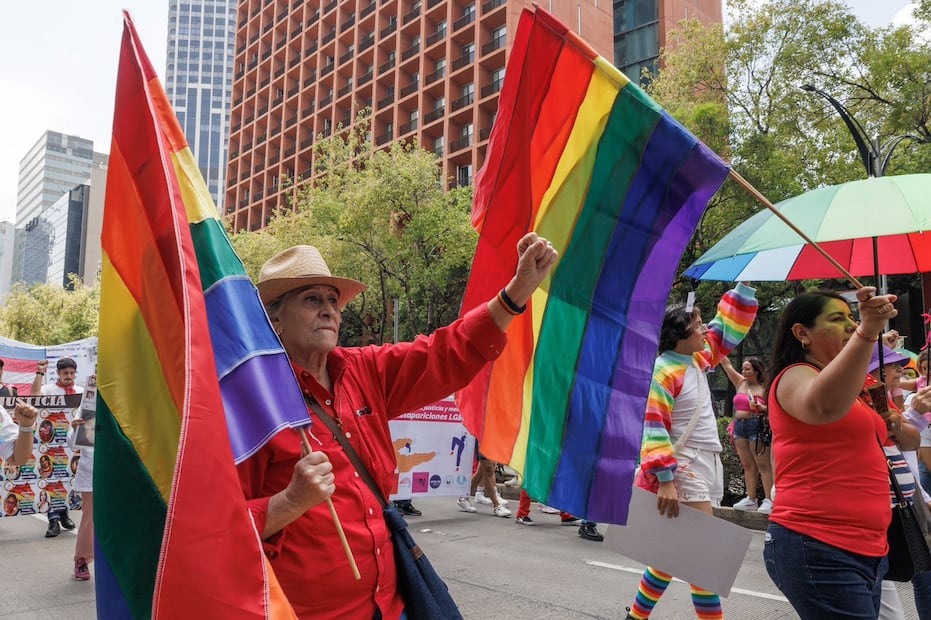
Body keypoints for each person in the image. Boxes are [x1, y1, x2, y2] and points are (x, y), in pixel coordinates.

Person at [238, 234, 557, 619]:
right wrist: (290, 501)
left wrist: (517, 292)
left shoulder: (363, 369)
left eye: (332, 300)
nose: (328, 311)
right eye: (311, 299)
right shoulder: (251, 402)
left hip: (390, 605)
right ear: (274, 318)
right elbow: (218, 528)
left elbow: (445, 352)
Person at [763, 288, 919, 618]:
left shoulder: (858, 385)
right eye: (837, 319)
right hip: (819, 543)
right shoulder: (794, 376)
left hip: (871, 546)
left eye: (852, 317)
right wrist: (868, 330)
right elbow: (824, 406)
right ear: (802, 333)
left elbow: (909, 441)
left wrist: (897, 424)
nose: (850, 325)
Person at [627, 283, 758, 620]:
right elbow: (653, 425)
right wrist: (665, 479)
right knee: (702, 557)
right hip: (685, 467)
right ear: (677, 335)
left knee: (673, 556)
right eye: (698, 325)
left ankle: (635, 617)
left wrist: (743, 289)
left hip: (703, 464)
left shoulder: (697, 358)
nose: (705, 330)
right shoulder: (663, 370)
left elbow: (725, 329)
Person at [32, 358, 81, 537]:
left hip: (73, 443)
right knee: (52, 480)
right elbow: (34, 396)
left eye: (72, 373)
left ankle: (64, 514)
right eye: (65, 373)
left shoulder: (81, 391)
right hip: (51, 443)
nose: (69, 376)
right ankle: (53, 519)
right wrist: (40, 372)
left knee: (68, 479)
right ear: (58, 373)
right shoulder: (49, 389)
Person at [719, 355, 773, 514]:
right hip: (739, 427)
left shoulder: (765, 387)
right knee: (748, 465)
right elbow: (726, 364)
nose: (744, 372)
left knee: (763, 465)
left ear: (757, 371)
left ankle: (769, 499)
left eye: (748, 369)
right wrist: (717, 347)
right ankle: (751, 498)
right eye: (743, 369)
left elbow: (775, 408)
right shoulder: (740, 382)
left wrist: (762, 408)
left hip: (756, 425)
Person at [67, 402, 94, 581]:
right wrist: (76, 430)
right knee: (89, 519)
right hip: (92, 473)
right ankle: (82, 560)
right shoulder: (88, 406)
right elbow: (71, 443)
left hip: (120, 471)